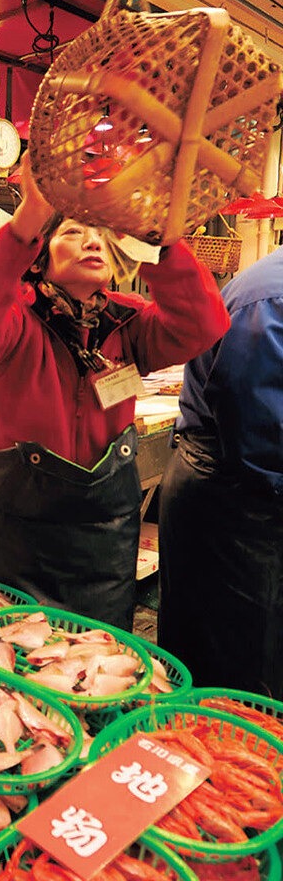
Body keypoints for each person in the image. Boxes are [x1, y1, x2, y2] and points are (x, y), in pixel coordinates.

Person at [0, 153, 230, 632]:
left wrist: (156, 241)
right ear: (42, 252)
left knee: (97, 680)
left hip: (102, 552)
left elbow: (203, 324)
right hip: (10, 545)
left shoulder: (128, 324)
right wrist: (23, 224)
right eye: (73, 231)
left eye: (102, 234)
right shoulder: (16, 320)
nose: (92, 240)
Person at [158, 245, 283, 697]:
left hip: (256, 492)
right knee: (234, 669)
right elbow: (260, 432)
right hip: (232, 499)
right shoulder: (271, 299)